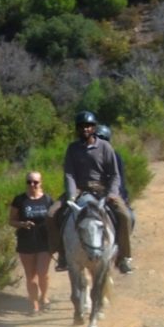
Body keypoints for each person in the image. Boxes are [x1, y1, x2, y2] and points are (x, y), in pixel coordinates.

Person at [61, 109, 135, 274]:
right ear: (77, 129)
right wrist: (71, 194)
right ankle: (63, 255)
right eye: (81, 126)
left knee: (125, 215)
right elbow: (69, 173)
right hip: (79, 190)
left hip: (102, 190)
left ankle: (124, 256)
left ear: (94, 128)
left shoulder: (105, 147)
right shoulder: (72, 149)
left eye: (88, 126)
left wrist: (112, 194)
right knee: (52, 215)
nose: (85, 129)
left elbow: (115, 174)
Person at [9, 169, 57, 312]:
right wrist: (22, 224)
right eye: (29, 182)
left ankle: (44, 297)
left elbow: (55, 220)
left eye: (35, 182)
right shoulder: (19, 200)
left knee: (43, 273)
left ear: (40, 183)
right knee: (31, 275)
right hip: (26, 241)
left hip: (44, 241)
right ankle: (34, 303)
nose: (32, 185)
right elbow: (11, 220)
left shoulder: (48, 199)